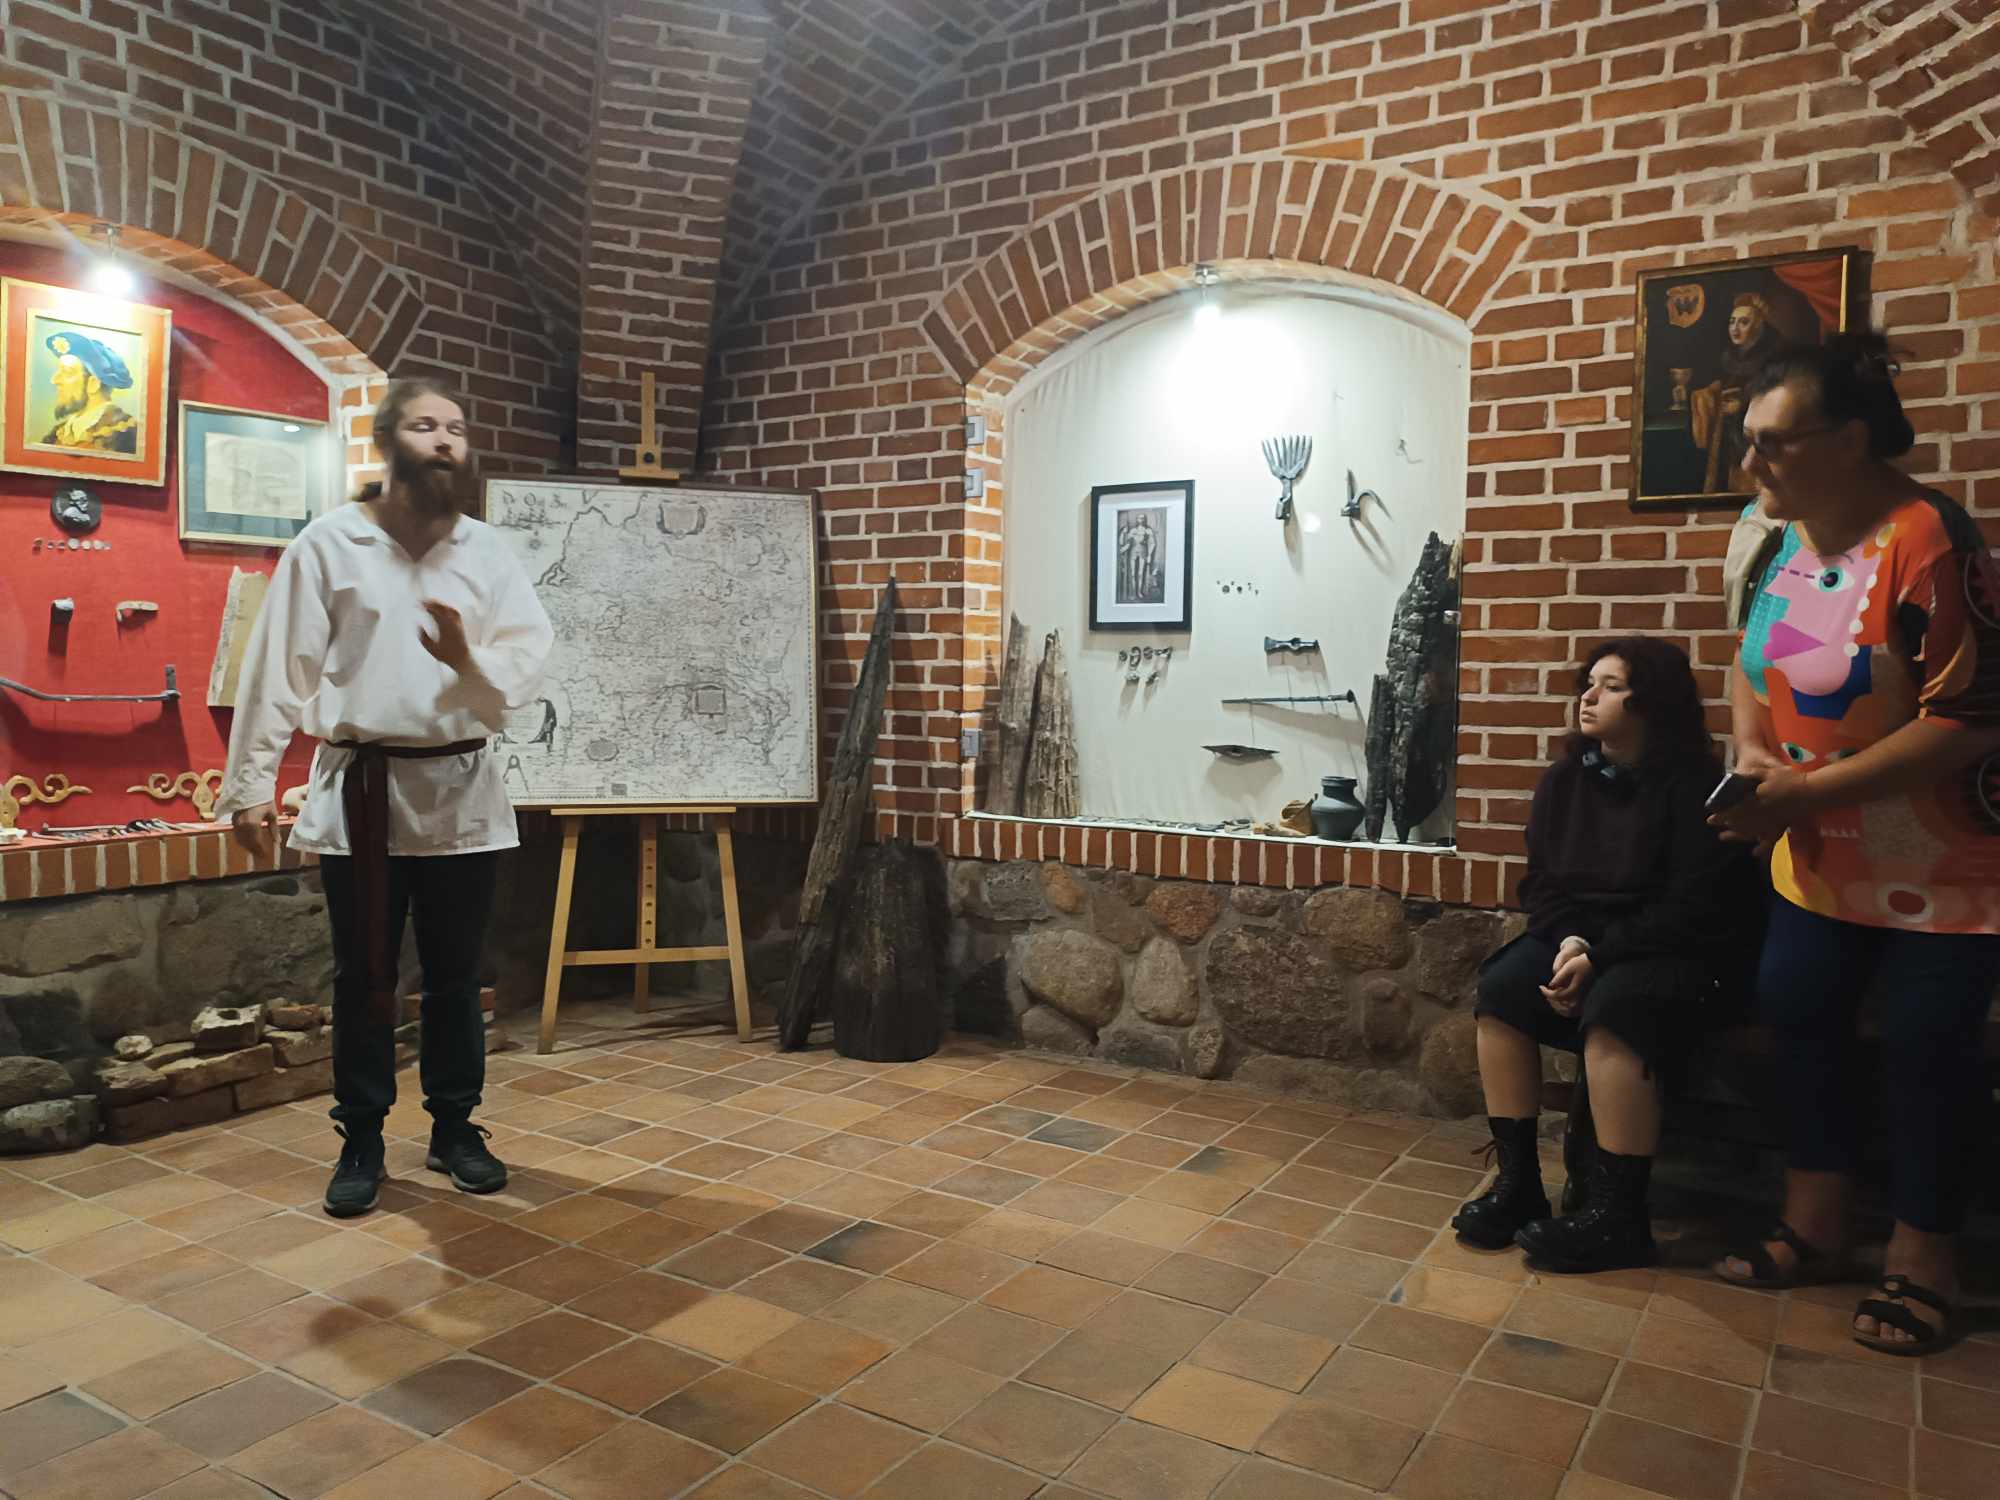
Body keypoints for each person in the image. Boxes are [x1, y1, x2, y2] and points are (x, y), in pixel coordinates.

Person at [1710, 333, 2000, 1355]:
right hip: (1816, 852)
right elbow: (1751, 660)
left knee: (1927, 1049)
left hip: (1944, 862)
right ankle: (1815, 1224)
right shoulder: (1776, 535)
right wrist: (1754, 755)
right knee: (1799, 1018)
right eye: (1747, 439)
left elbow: (1967, 717)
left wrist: (1807, 790)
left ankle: (1923, 1259)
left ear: (1851, 437)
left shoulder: (1929, 538)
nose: (1751, 464)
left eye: (1773, 443)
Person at [216, 378, 554, 1219]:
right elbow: (277, 667)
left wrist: (465, 658)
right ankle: (361, 1137)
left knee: (455, 978)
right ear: (388, 442)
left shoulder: (485, 552)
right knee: (363, 976)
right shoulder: (330, 544)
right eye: (426, 425)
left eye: (457, 429)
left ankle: (455, 1130)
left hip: (460, 795)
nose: (445, 440)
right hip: (361, 792)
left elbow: (521, 666)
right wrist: (251, 783)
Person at [1451, 638, 1761, 1272]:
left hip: (1680, 951)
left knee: (1619, 1005)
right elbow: (1542, 884)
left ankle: (1619, 1217)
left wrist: (1599, 955)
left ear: (1652, 702)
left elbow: (1694, 907)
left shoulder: (1697, 787)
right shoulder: (1567, 780)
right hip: (1586, 941)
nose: (1589, 697)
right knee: (1503, 988)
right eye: (1589, 683)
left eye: (1612, 686)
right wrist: (1570, 941)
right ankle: (1518, 1183)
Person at [1690, 292, 1781, 493]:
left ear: (1758, 326)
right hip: (1724, 434)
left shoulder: (1772, 359)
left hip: (1752, 438)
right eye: (1732, 322)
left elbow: (1777, 401)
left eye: (1743, 322)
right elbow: (1718, 390)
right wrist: (1708, 396)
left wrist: (1743, 406)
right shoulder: (1727, 358)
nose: (1735, 328)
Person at [41, 331, 139, 453]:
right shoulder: (57, 434)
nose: (54, 380)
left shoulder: (125, 433)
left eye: (67, 372)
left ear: (94, 384)